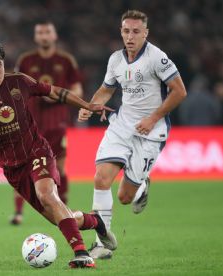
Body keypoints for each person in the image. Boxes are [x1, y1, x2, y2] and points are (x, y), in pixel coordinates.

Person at [0, 38, 116, 268]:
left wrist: (87, 105)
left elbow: (55, 92)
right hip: (12, 166)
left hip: (37, 151)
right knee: (60, 216)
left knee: (47, 195)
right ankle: (95, 220)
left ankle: (81, 253)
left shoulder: (19, 81)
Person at [78, 10, 187, 259]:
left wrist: (152, 118)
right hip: (122, 125)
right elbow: (106, 90)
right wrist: (89, 106)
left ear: (145, 33)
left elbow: (180, 92)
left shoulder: (157, 58)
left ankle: (141, 185)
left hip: (151, 131)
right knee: (100, 179)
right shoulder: (115, 59)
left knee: (125, 197)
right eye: (126, 31)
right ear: (121, 32)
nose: (130, 36)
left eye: (136, 31)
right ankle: (101, 244)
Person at [11, 20, 83, 225]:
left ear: (54, 36)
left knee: (59, 168)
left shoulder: (66, 60)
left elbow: (77, 90)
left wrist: (56, 95)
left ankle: (64, 209)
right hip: (29, 125)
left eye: (47, 32)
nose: (43, 36)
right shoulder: (25, 60)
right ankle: (18, 212)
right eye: (40, 32)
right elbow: (15, 87)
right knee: (21, 168)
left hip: (56, 123)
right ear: (35, 37)